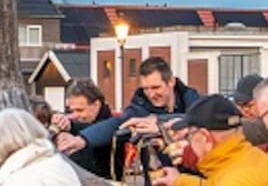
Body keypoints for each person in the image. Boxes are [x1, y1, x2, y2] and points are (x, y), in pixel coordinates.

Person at [56, 57, 199, 157]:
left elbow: (199, 120)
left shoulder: (194, 102)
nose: (151, 94)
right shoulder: (139, 108)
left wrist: (159, 123)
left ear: (171, 82)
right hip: (157, 183)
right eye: (146, 89)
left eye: (156, 87)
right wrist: (83, 139)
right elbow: (116, 124)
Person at [51, 79, 114, 177]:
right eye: (72, 111)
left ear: (96, 105)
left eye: (80, 110)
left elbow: (98, 132)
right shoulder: (78, 125)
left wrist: (71, 128)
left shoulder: (111, 129)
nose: (75, 115)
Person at [228, 74, 268, 147]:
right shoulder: (237, 116)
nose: (245, 110)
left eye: (249, 105)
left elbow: (256, 128)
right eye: (240, 105)